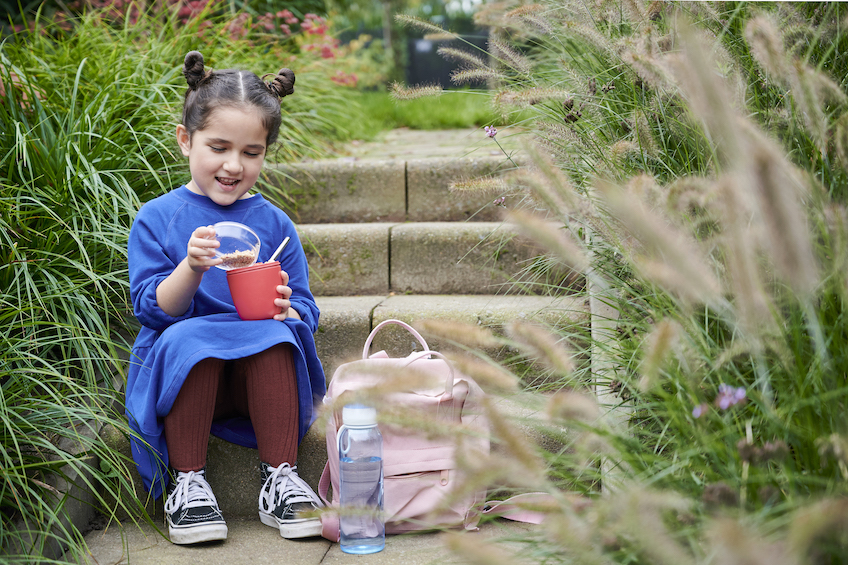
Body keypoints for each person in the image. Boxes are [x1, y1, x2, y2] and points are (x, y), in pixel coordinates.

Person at [126, 51, 326, 545]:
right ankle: (188, 481)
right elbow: (152, 309)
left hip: (257, 379)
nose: (233, 165)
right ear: (185, 139)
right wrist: (191, 268)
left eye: (252, 152)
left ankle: (280, 476)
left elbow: (306, 307)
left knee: (279, 335)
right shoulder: (159, 217)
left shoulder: (275, 224)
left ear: (264, 153)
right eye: (218, 147)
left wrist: (289, 309)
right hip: (186, 380)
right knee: (192, 336)